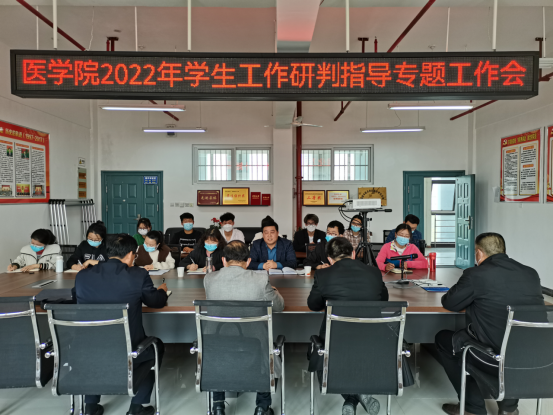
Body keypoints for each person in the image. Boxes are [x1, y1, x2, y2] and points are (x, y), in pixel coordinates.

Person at [435, 233, 544, 415]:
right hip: (534, 356)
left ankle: (472, 408)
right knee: (514, 340)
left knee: (443, 339)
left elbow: (450, 303)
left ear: (478, 253)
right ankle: (509, 409)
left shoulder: (476, 274)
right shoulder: (530, 273)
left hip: (493, 357)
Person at [72, 234, 168, 415]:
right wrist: (162, 291)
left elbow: (75, 297)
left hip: (87, 349)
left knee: (94, 348)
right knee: (157, 346)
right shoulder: (138, 274)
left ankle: (90, 406)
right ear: (131, 254)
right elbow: (155, 302)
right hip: (129, 350)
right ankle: (136, 407)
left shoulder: (83, 275)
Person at [307, 237, 388, 415]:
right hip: (372, 339)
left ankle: (351, 397)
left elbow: (313, 304)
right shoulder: (374, 272)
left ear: (329, 259)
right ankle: (359, 393)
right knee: (354, 349)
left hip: (336, 342)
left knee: (324, 351)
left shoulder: (323, 275)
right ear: (352, 253)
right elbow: (383, 300)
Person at [204, 240, 284, 415]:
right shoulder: (261, 279)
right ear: (248, 262)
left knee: (218, 348)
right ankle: (262, 407)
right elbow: (279, 306)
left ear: (223, 260)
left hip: (217, 344)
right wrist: (274, 291)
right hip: (255, 344)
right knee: (266, 345)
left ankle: (218, 405)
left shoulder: (209, 279)